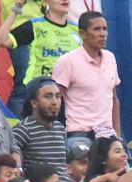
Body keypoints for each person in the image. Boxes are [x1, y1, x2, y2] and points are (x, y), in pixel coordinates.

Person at [52, 11, 121, 144]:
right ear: (83, 33)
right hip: (79, 135)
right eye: (97, 29)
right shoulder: (68, 61)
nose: (103, 34)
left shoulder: (110, 58)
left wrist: (118, 136)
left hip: (108, 136)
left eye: (105, 29)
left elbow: (114, 99)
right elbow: (54, 101)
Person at [0, 0, 77, 98]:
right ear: (46, 1)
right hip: (39, 93)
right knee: (20, 87)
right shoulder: (34, 26)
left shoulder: (78, 30)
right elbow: (0, 41)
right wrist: (16, 10)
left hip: (69, 95)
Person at [12, 77, 72, 182]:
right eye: (48, 96)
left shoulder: (60, 128)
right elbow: (13, 155)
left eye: (58, 96)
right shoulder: (24, 129)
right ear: (34, 103)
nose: (55, 102)